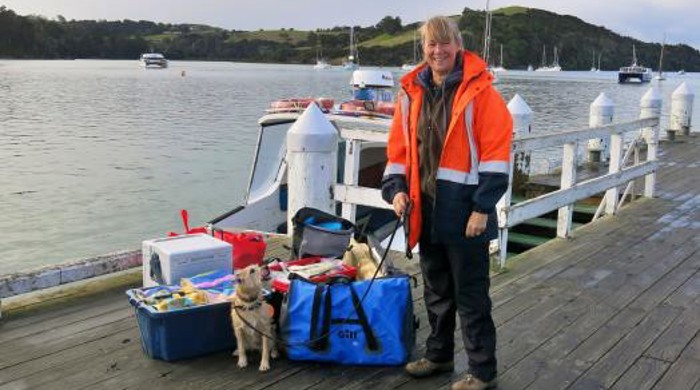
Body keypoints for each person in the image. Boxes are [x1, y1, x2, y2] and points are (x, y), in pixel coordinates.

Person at [381, 16, 512, 390]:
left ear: (458, 45)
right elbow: (399, 152)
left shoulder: (482, 93)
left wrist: (483, 207)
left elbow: (496, 156)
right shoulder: (411, 93)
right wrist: (397, 191)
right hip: (426, 210)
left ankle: (482, 371)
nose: (437, 51)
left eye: (444, 44)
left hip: (467, 211)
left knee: (470, 296)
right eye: (430, 45)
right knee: (436, 292)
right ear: (424, 49)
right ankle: (438, 357)